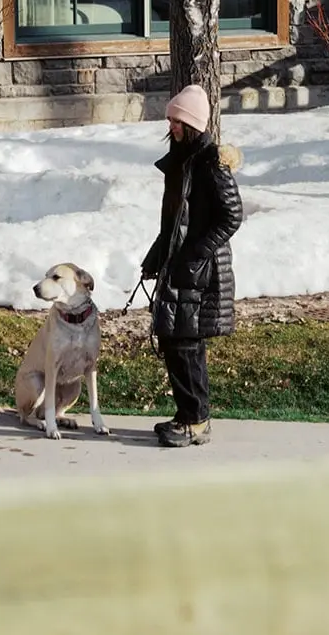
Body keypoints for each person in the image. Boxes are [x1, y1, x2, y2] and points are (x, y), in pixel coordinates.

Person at [139, 83, 244, 448]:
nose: (171, 126)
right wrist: (155, 258)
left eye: (177, 121)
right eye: (171, 120)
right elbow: (173, 224)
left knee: (185, 345)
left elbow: (232, 216)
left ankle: (196, 422)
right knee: (176, 343)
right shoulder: (182, 161)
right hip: (182, 267)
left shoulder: (211, 164)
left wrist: (196, 254)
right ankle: (187, 416)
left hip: (201, 273)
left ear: (193, 124)